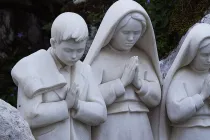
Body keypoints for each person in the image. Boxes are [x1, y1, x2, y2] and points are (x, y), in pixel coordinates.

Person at [11, 12, 107, 140]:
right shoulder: (31, 68)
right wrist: (65, 105)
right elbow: (29, 116)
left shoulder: (85, 70)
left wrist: (77, 105)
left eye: (80, 50)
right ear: (53, 43)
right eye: (68, 50)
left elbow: (100, 113)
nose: (74, 56)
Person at [84, 0, 162, 140]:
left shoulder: (143, 58)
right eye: (126, 32)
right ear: (113, 31)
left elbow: (156, 97)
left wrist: (139, 84)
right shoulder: (100, 59)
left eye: (136, 33)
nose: (131, 38)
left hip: (140, 124)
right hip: (110, 125)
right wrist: (121, 83)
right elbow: (89, 96)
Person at [155, 23, 210, 140]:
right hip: (186, 134)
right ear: (193, 52)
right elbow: (174, 113)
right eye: (204, 55)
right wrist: (201, 97)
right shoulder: (181, 76)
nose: (209, 60)